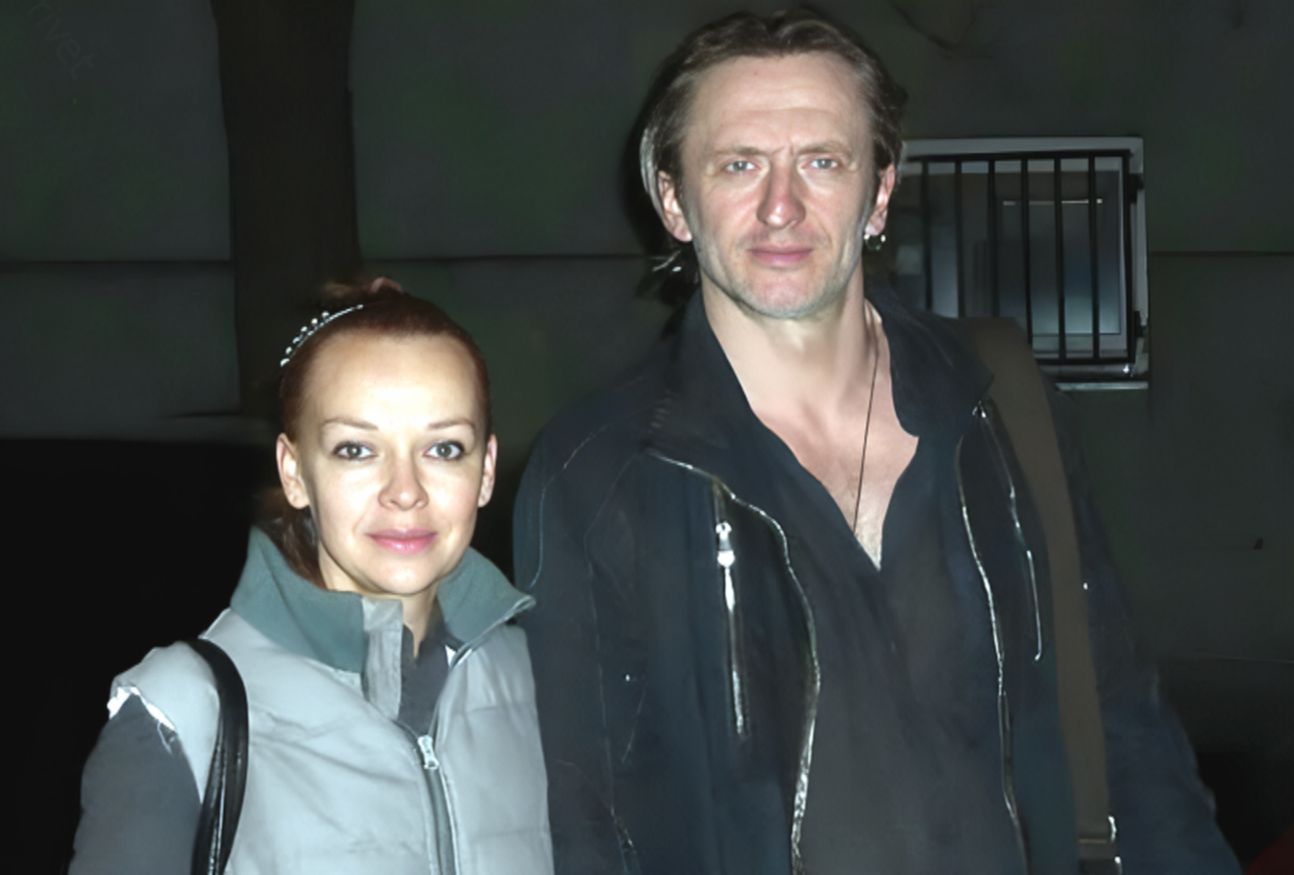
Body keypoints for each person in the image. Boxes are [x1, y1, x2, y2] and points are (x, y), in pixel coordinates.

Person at [513, 9, 1236, 874]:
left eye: (822, 161)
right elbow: (582, 824)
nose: (781, 206)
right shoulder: (598, 473)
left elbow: (1125, 726)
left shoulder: (1001, 406)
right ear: (673, 201)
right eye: (740, 164)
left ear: (880, 192)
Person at [71, 285, 553, 874]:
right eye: (356, 450)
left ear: (487, 471)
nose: (405, 491)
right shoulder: (186, 709)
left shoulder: (544, 677)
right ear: (294, 471)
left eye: (444, 448)